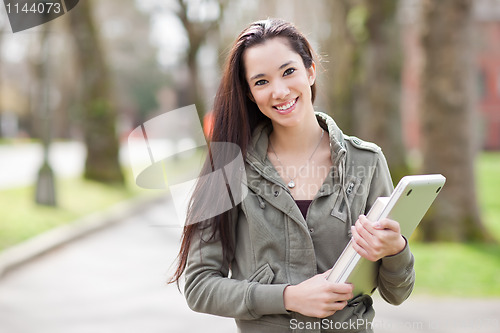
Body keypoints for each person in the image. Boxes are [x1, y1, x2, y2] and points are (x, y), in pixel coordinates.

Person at [169, 18, 415, 332]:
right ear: (249, 94)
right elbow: (199, 286)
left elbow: (398, 292)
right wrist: (287, 297)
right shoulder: (227, 167)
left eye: (289, 72)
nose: (280, 91)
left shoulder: (366, 162)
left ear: (310, 71)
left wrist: (395, 250)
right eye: (261, 82)